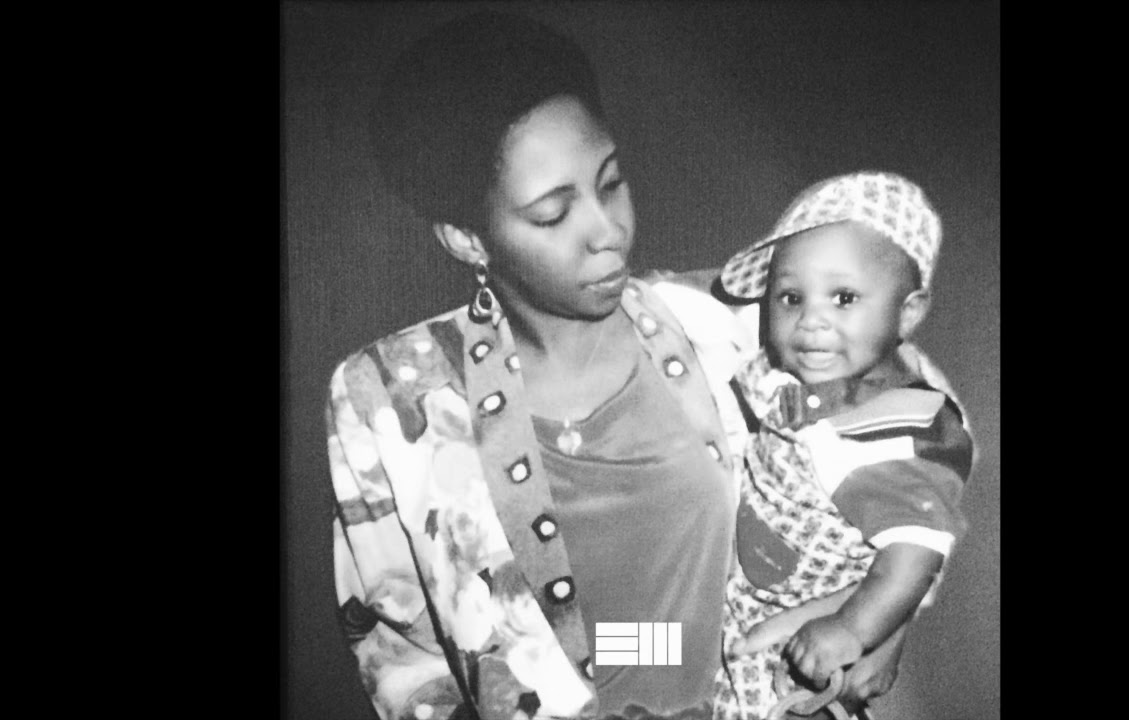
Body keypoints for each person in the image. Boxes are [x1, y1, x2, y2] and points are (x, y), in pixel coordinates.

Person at [327, 12, 918, 720]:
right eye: (553, 214)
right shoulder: (389, 398)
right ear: (466, 239)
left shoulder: (731, 325)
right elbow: (406, 663)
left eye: (610, 183)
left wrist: (885, 618)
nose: (608, 231)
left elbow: (922, 431)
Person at [712, 173, 974, 720]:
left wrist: (852, 629)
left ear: (908, 312)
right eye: (790, 297)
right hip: (727, 593)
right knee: (627, 647)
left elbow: (916, 551)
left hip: (794, 627)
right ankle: (579, 657)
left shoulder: (898, 431)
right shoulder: (796, 375)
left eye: (844, 298)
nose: (811, 320)